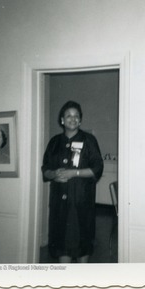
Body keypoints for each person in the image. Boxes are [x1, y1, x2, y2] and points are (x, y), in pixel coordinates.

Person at [41, 100, 104, 263]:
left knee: (82, 240)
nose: (73, 118)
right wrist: (53, 174)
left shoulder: (89, 140)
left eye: (76, 116)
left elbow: (97, 168)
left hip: (81, 202)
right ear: (62, 120)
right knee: (62, 242)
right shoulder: (54, 142)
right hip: (59, 205)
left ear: (80, 120)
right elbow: (45, 169)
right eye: (68, 115)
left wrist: (73, 173)